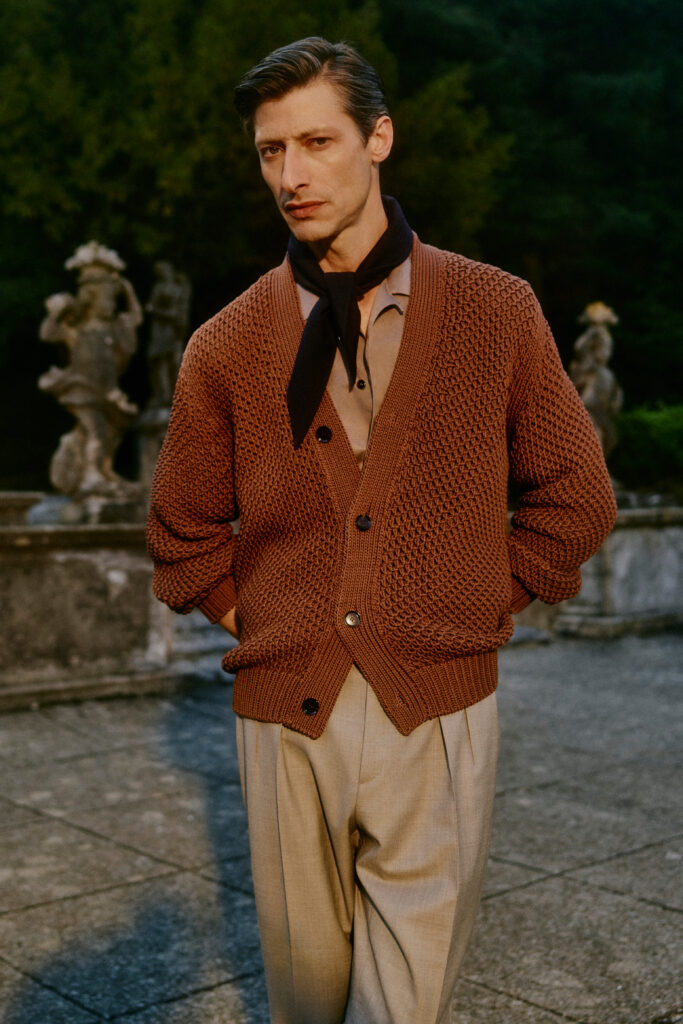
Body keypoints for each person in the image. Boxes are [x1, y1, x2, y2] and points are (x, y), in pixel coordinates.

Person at [147, 37, 617, 1024]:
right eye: (270, 151)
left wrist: (471, 604)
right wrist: (270, 622)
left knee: (404, 1005)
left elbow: (575, 497)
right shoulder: (224, 344)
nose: (291, 174)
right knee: (304, 1000)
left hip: (436, 708)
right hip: (284, 718)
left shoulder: (494, 308)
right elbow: (181, 534)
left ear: (379, 138)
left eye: (316, 142)